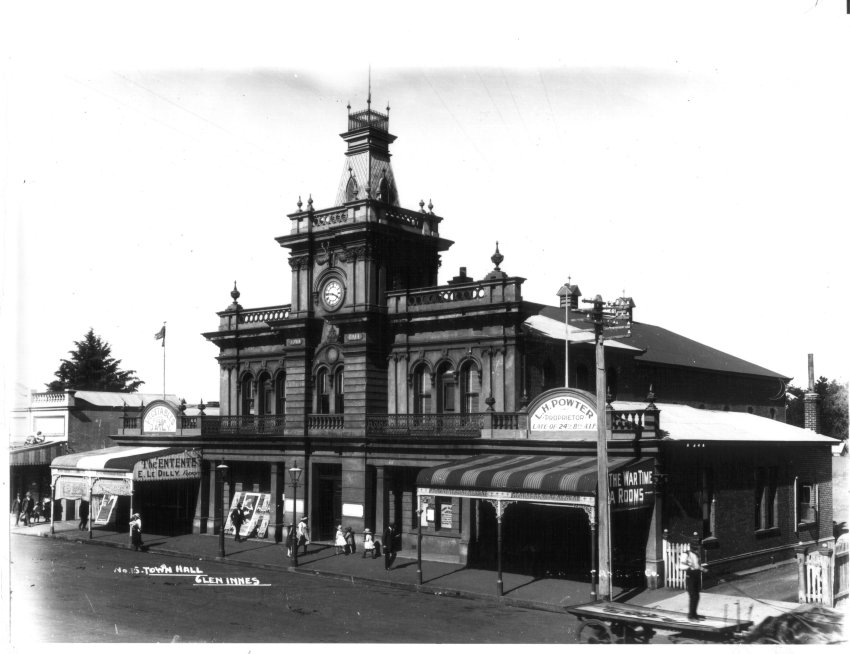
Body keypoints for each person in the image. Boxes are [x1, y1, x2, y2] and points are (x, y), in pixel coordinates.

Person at [678, 539, 708, 620]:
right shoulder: (686, 554)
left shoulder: (697, 555)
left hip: (697, 575)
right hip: (690, 576)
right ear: (692, 547)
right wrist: (689, 567)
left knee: (697, 596)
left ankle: (694, 614)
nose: (697, 549)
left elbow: (697, 566)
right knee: (693, 596)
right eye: (696, 547)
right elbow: (681, 566)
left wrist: (702, 569)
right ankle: (691, 616)